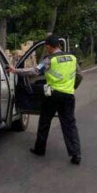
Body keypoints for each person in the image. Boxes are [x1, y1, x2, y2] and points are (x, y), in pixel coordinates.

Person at [7, 35, 82, 165]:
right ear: (59, 45)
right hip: (68, 96)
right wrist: (72, 87)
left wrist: (16, 70)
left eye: (46, 47)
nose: (46, 49)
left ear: (48, 46)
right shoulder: (72, 58)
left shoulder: (50, 60)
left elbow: (35, 71)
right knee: (70, 125)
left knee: (44, 122)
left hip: (52, 95)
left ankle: (40, 149)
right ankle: (76, 154)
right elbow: (79, 75)